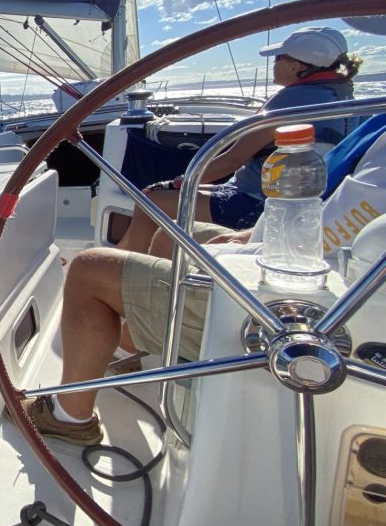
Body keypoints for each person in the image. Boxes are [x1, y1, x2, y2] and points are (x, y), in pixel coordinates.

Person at [23, 116, 386, 445]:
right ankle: (128, 346)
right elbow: (323, 221)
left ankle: (69, 416)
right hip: (278, 250)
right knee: (170, 236)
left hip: (290, 306)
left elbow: (331, 240)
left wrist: (229, 255)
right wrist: (248, 240)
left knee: (89, 269)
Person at [116, 27, 363, 254]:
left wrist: (180, 181)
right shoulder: (345, 98)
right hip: (293, 200)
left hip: (260, 204)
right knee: (157, 193)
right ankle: (122, 257)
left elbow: (231, 161)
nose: (273, 64)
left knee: (151, 200)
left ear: (297, 66)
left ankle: (126, 273)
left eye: (278, 58)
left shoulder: (289, 102)